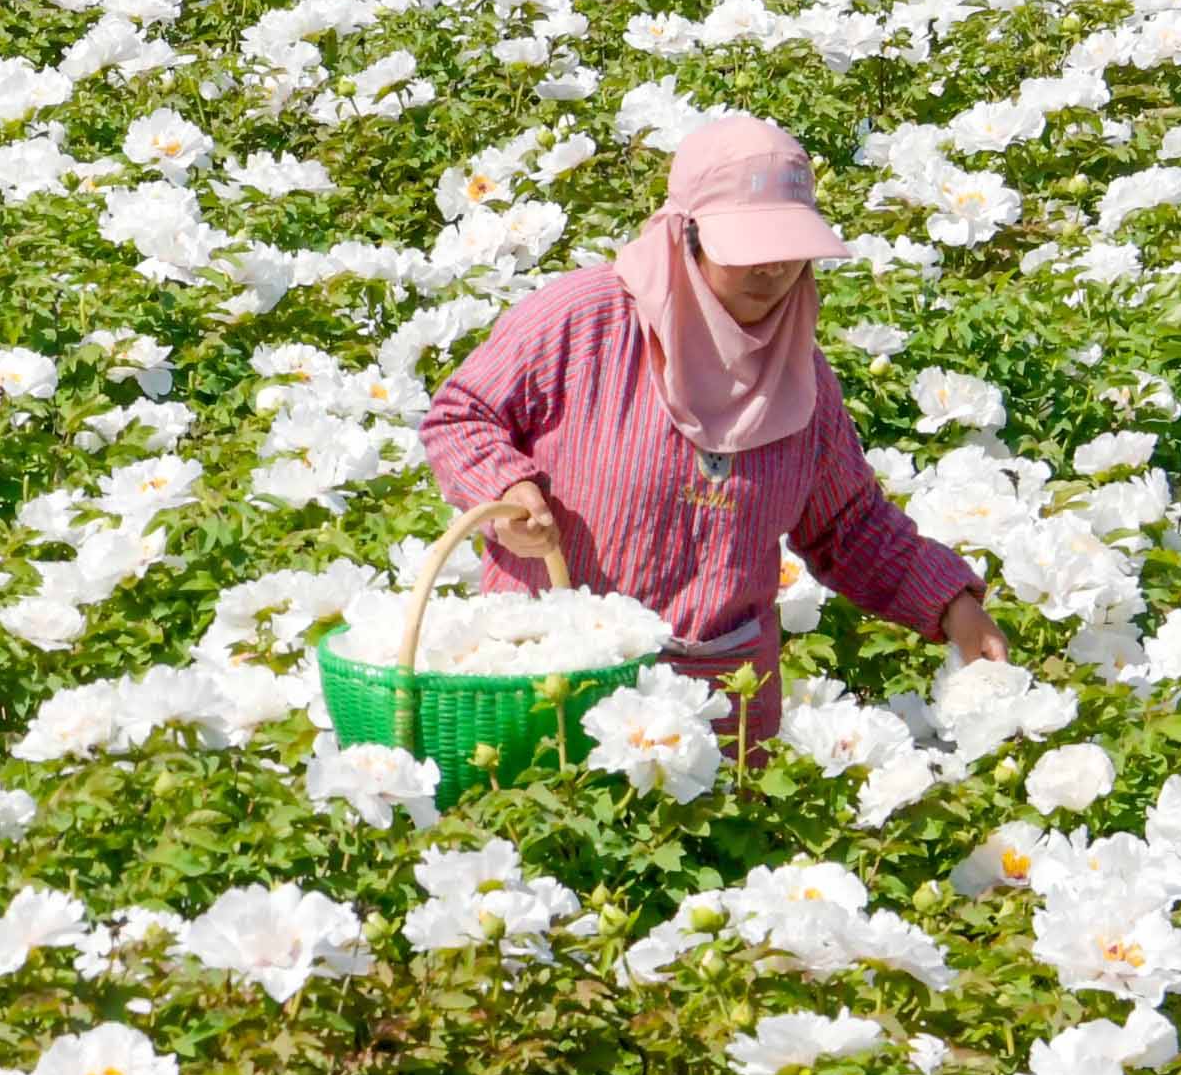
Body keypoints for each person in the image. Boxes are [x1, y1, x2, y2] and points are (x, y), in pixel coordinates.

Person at [421, 113, 1010, 736]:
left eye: (789, 251)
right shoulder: (584, 321)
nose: (773, 270)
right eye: (751, 251)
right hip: (553, 687)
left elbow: (848, 525)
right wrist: (507, 489)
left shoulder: (797, 371)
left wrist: (952, 604)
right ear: (685, 235)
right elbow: (461, 415)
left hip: (717, 714)